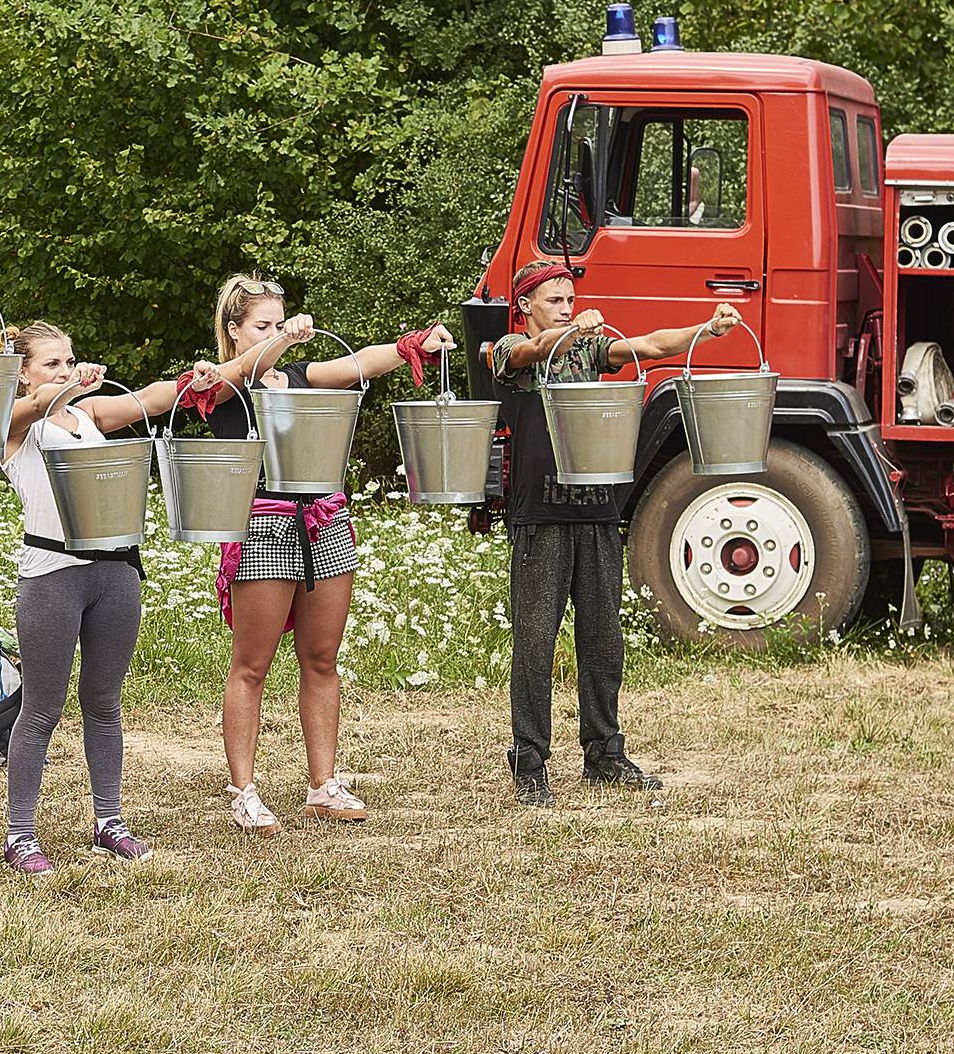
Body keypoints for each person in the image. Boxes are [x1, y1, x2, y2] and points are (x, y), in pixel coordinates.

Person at [485, 257, 740, 806]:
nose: (567, 307)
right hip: (540, 517)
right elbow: (531, 352)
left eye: (570, 300)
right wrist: (564, 331)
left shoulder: (587, 351)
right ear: (525, 305)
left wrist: (705, 329)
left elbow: (647, 346)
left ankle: (604, 753)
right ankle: (529, 760)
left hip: (597, 514)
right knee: (535, 641)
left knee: (603, 640)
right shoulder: (508, 350)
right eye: (555, 300)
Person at [208, 275, 454, 834]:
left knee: (322, 660)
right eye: (261, 325)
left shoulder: (297, 375)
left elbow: (357, 364)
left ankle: (324, 784)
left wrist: (411, 345)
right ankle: (243, 790)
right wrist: (283, 342)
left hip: (324, 519)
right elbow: (232, 378)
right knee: (253, 665)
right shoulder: (219, 383)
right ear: (234, 330)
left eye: (279, 321)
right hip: (261, 525)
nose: (274, 332)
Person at [0, 323, 243, 874]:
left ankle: (109, 821)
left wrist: (196, 380)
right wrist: (64, 389)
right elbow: (34, 406)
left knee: (104, 702)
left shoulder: (88, 416)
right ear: (22, 372)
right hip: (52, 575)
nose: (65, 371)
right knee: (40, 709)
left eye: (70, 361)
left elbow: (145, 400)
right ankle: (20, 834)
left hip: (115, 574)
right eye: (51, 364)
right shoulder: (15, 427)